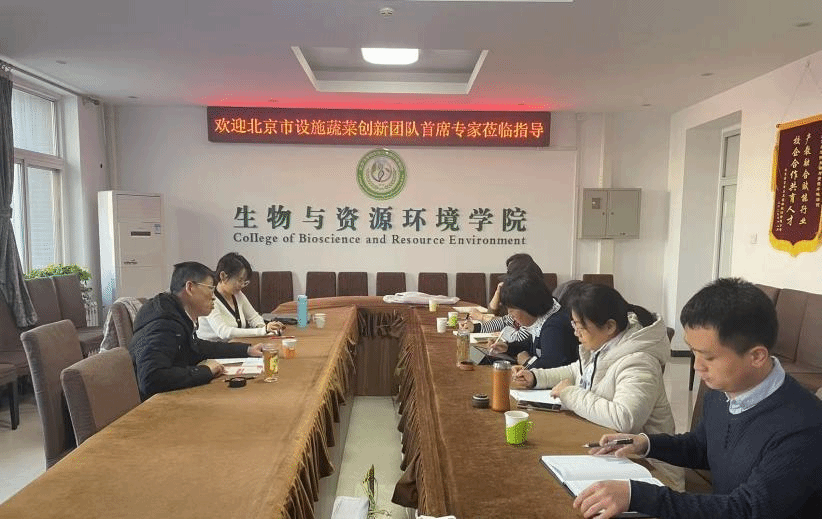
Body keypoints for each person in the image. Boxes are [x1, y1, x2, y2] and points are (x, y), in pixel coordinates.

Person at [574, 278, 822, 519]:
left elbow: (747, 509)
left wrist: (638, 496)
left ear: (757, 356)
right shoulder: (724, 390)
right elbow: (702, 446)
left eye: (709, 357)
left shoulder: (803, 428)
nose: (697, 366)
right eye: (693, 352)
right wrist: (644, 443)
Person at [511, 283, 682, 489]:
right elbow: (577, 371)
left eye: (580, 326)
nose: (576, 333)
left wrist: (570, 394)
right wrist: (536, 377)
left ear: (609, 326)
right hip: (615, 453)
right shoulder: (607, 342)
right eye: (574, 324)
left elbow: (624, 419)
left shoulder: (640, 362)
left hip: (652, 471)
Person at [130, 261, 266, 399]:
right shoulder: (163, 323)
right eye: (210, 289)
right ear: (190, 287)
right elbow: (151, 378)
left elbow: (198, 348)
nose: (213, 297)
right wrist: (205, 371)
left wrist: (247, 350)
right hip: (159, 404)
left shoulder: (176, 315)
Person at [492, 272, 578, 369]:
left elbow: (551, 368)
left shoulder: (554, 327)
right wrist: (508, 347)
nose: (510, 314)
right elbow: (532, 343)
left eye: (512, 309)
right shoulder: (542, 319)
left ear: (528, 306)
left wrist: (527, 361)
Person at [197, 252, 284, 340]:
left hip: (235, 344)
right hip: (213, 347)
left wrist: (266, 328)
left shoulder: (237, 294)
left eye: (245, 282)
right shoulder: (209, 298)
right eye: (239, 280)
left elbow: (254, 317)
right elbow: (224, 332)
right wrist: (262, 331)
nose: (242, 285)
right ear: (223, 276)